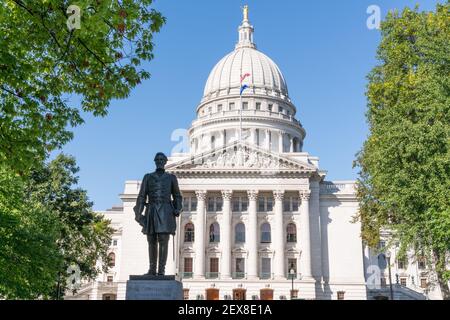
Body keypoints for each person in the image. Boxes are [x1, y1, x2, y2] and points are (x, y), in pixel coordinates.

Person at [133, 152, 183, 275]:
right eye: (157, 160)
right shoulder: (148, 177)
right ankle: (152, 269)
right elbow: (141, 196)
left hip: (166, 210)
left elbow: (177, 195)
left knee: (163, 240)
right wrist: (138, 213)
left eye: (162, 160)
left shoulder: (171, 178)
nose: (160, 161)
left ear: (165, 162)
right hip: (151, 209)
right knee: (151, 240)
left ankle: (161, 270)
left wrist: (178, 208)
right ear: (155, 161)